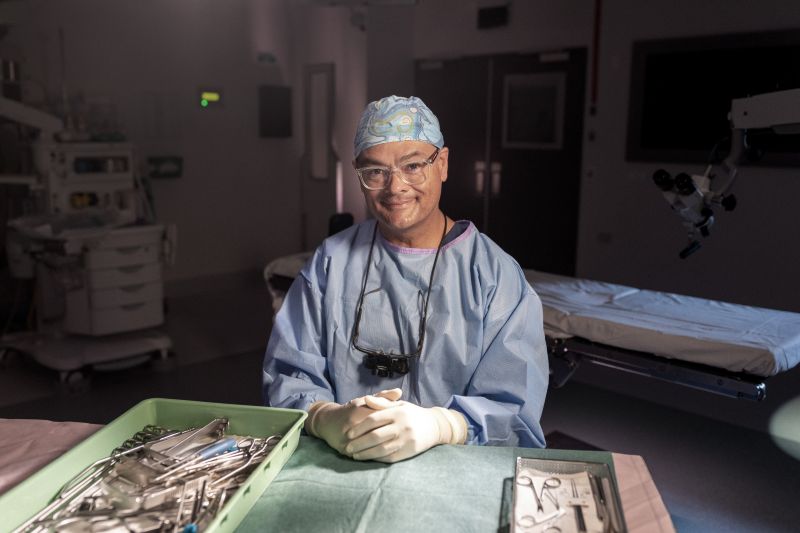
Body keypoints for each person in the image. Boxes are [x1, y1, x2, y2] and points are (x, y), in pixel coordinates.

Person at [263, 95, 548, 463]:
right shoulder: (330, 263)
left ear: (442, 164)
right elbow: (288, 374)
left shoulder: (493, 276)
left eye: (413, 166)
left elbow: (515, 411)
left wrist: (445, 426)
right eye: (375, 172)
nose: (394, 187)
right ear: (358, 174)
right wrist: (322, 416)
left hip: (455, 472)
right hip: (342, 464)